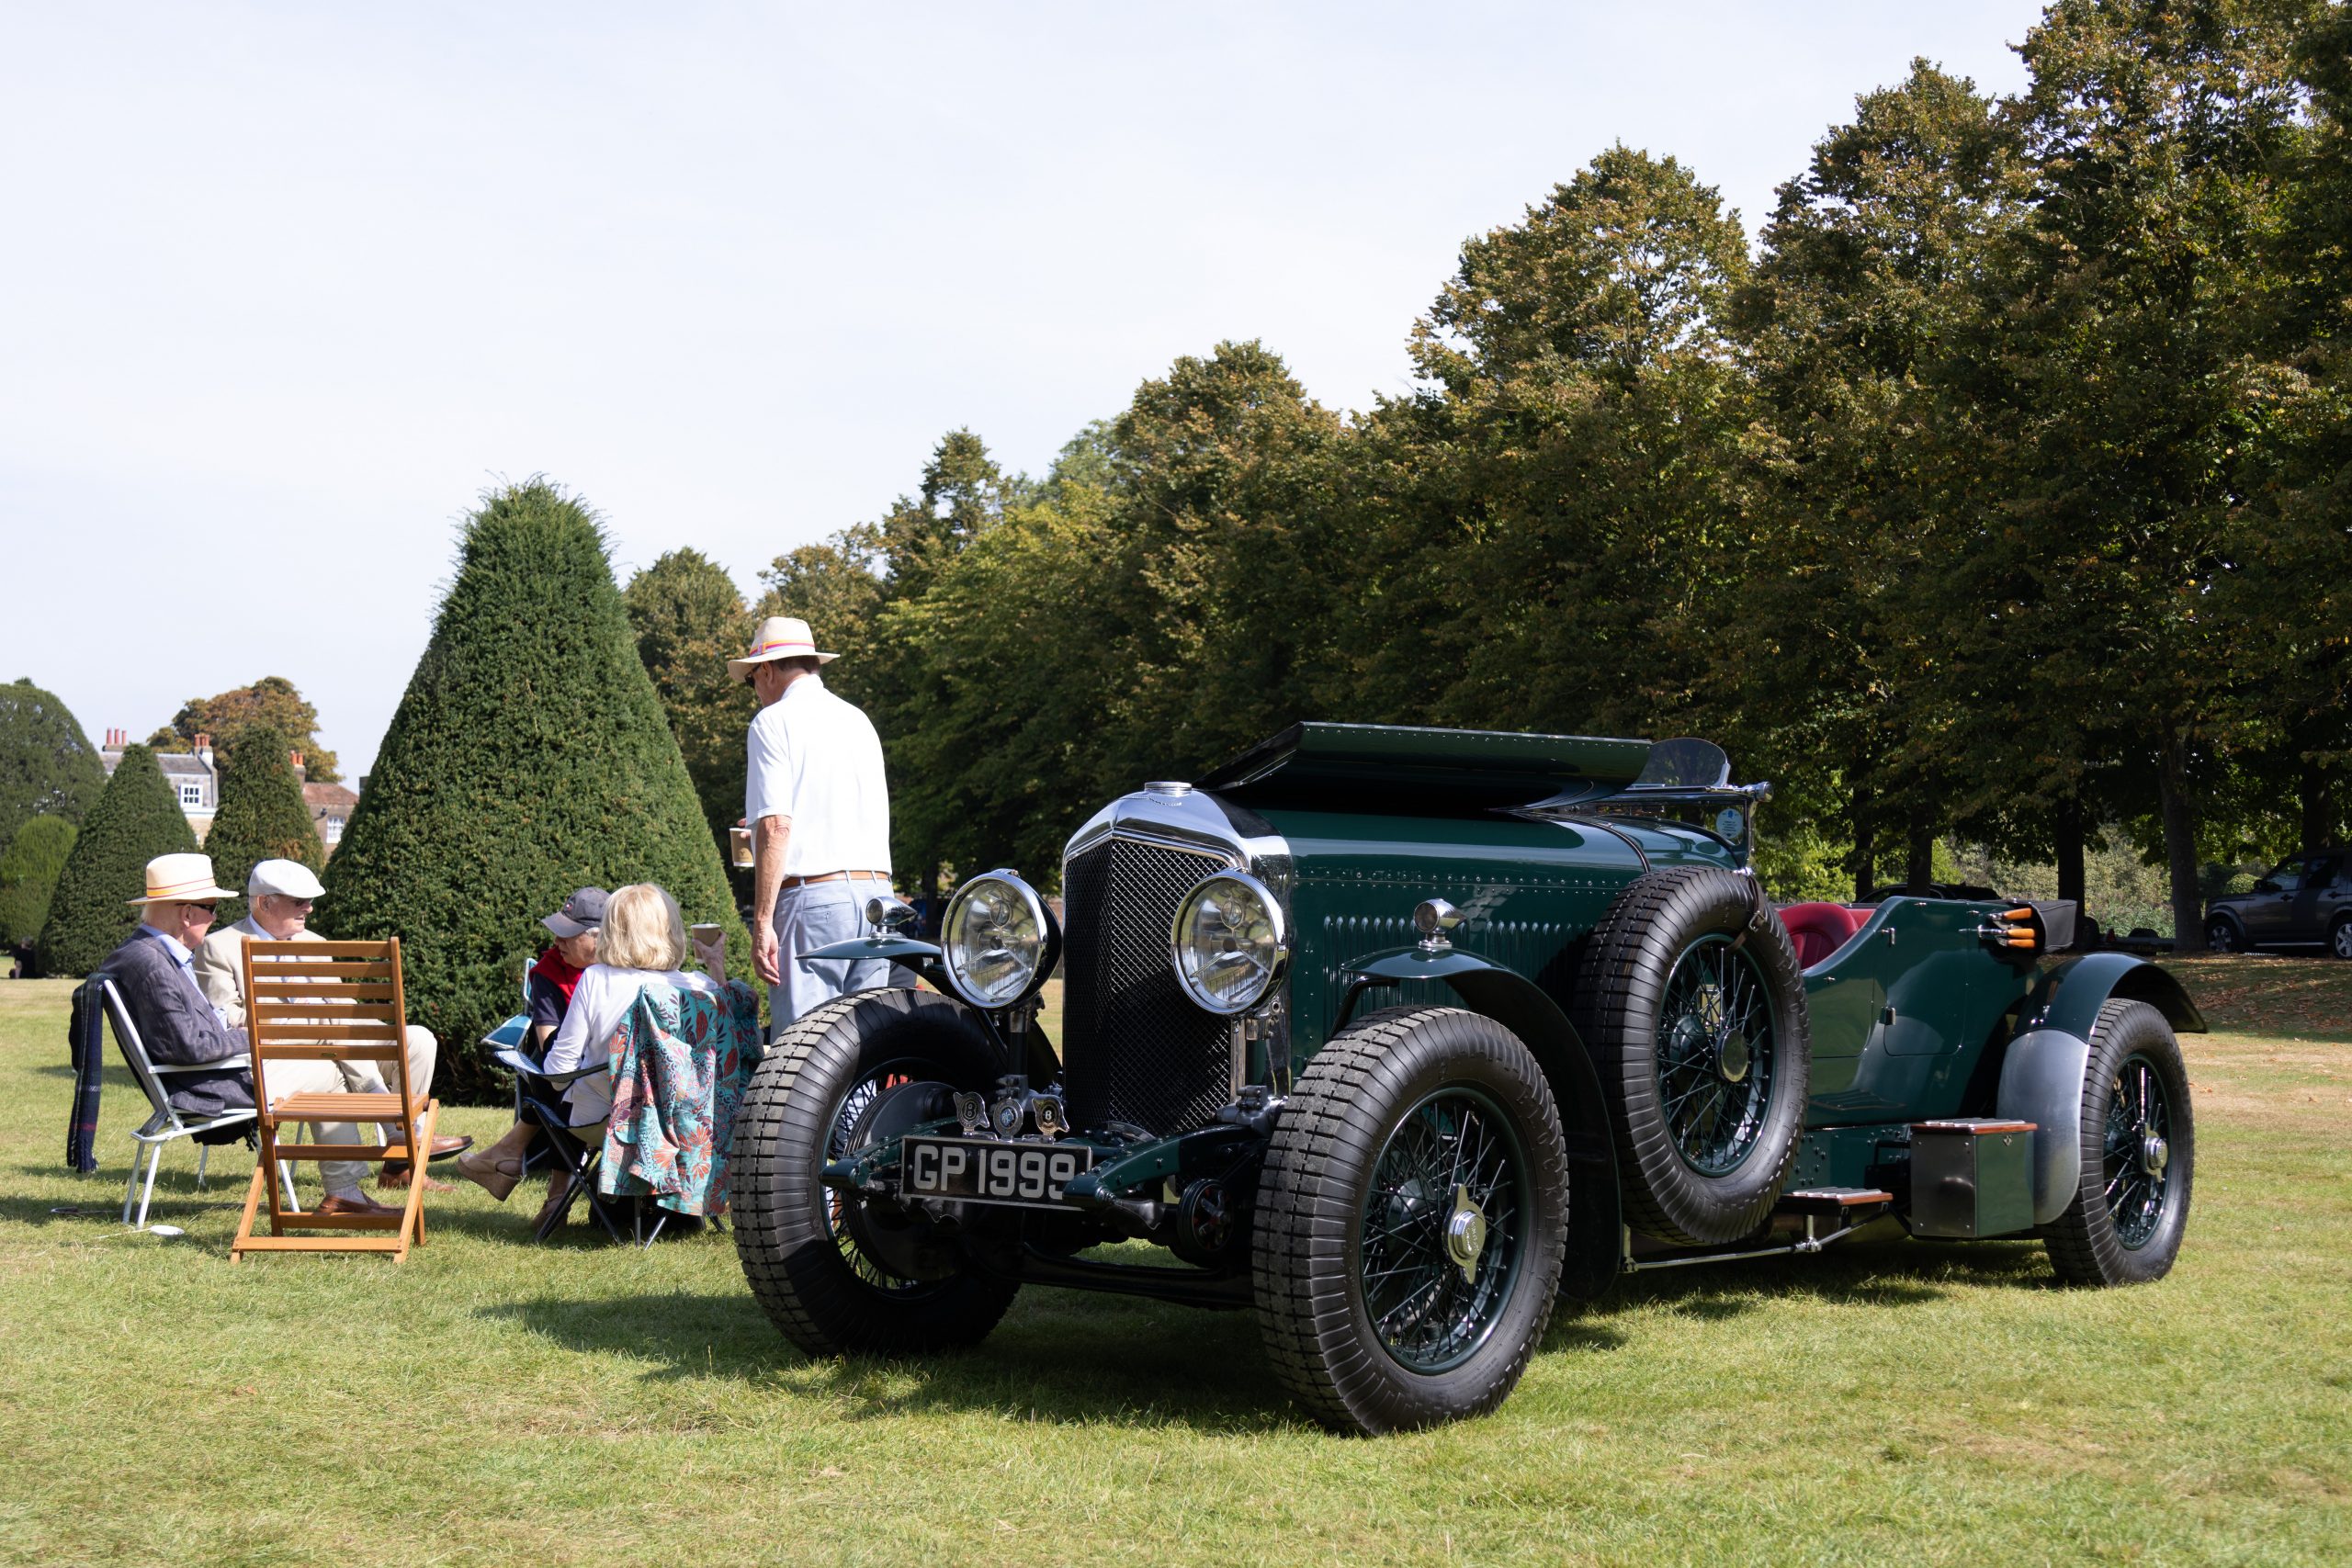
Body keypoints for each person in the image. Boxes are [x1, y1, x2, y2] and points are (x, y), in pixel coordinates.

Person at [100, 853, 392, 1216]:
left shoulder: (145, 954)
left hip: (209, 1075)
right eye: (210, 907)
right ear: (186, 914)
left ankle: (353, 1184)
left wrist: (234, 1023)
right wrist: (258, 1035)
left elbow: (192, 1029)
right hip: (207, 1087)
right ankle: (351, 1184)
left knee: (329, 1053)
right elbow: (191, 1047)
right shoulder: (154, 966)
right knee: (330, 1072)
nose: (216, 917)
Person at [194, 858, 466, 1190]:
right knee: (324, 1019)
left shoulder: (316, 943)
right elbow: (226, 1018)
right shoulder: (220, 946)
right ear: (265, 902)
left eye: (310, 900)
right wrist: (292, 1012)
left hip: (335, 1042)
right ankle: (402, 1127)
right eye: (299, 901)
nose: (308, 908)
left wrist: (364, 1025)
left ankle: (399, 1165)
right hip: (280, 1055)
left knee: (418, 1040)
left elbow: (339, 1005)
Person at [729, 615, 897, 1031]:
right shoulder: (859, 720)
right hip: (878, 897)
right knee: (865, 1053)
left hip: (814, 903)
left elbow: (776, 828)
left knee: (804, 1064)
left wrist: (762, 922)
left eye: (752, 680)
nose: (755, 692)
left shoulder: (772, 722)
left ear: (766, 670)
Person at [530, 883, 732, 1224]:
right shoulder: (701, 985)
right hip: (688, 1125)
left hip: (612, 1122)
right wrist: (715, 964)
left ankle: (564, 1197)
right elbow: (727, 1055)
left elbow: (558, 1072)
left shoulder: (597, 979)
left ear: (611, 930)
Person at [453, 886, 605, 1202]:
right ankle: (553, 1191)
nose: (556, 942)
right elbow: (551, 1051)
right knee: (558, 1069)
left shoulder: (620, 975)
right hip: (578, 1084)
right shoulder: (549, 972)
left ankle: (513, 1154)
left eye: (567, 935)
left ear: (600, 938)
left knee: (568, 1079)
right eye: (557, 933)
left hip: (612, 1088)